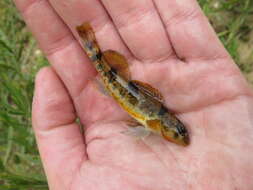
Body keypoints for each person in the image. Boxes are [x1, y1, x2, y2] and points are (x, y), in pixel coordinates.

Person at [14, 0, 253, 189]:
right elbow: (142, 125)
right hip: (120, 86)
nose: (177, 136)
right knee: (107, 76)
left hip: (122, 88)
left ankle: (92, 48)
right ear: (165, 128)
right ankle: (92, 47)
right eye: (176, 133)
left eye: (177, 134)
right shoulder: (153, 122)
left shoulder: (155, 122)